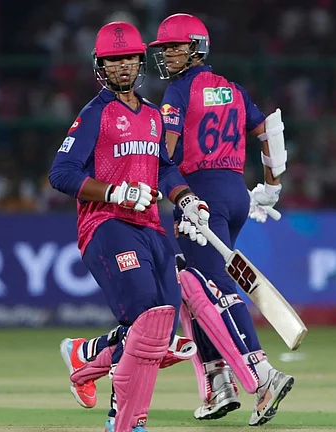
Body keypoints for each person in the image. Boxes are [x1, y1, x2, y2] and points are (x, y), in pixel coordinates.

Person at [49, 21, 210, 432]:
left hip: (153, 228)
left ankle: (88, 354)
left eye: (129, 58)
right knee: (144, 316)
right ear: (100, 65)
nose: (122, 66)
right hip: (107, 224)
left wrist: (186, 199)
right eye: (113, 59)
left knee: (161, 330)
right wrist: (116, 192)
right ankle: (123, 419)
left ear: (141, 62)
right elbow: (61, 173)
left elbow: (165, 169)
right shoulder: (94, 115)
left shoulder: (155, 115)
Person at [150, 13, 294, 426]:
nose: (168, 56)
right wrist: (271, 186)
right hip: (234, 193)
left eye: (175, 47)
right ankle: (219, 381)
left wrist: (169, 187)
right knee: (193, 287)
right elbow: (269, 129)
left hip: (200, 196)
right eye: (164, 50)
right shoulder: (231, 88)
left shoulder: (177, 91)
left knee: (213, 288)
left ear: (197, 47)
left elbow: (167, 154)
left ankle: (262, 375)